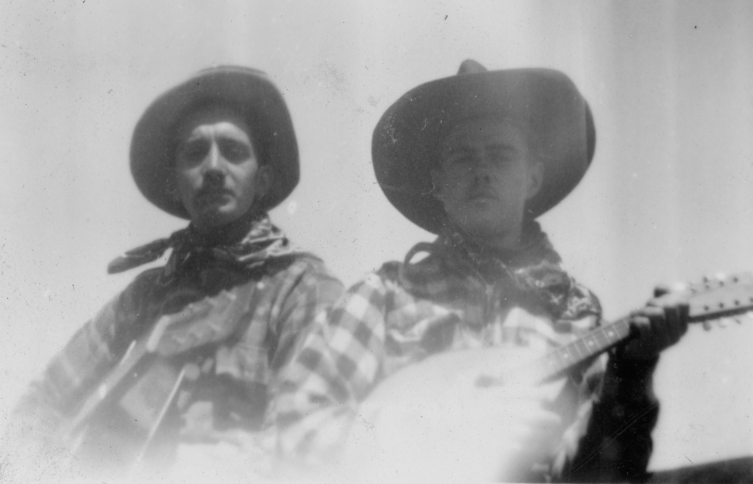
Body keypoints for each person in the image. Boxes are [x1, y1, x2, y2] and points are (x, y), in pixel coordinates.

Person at [273, 60, 689, 483]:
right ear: (437, 182)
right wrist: (439, 429)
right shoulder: (383, 296)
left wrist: (633, 371)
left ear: (532, 178)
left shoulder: (573, 312)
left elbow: (601, 475)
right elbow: (295, 430)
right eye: (463, 158)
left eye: (500, 155)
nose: (482, 171)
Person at [6, 66, 345, 482]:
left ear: (263, 179)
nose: (214, 167)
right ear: (174, 185)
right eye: (195, 152)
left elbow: (304, 440)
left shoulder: (301, 286)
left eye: (234, 152)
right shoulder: (147, 294)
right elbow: (45, 399)